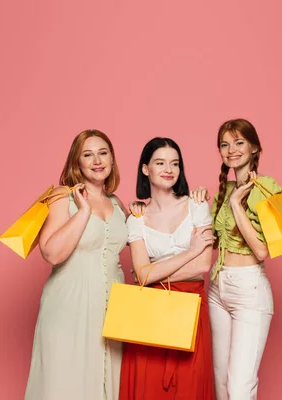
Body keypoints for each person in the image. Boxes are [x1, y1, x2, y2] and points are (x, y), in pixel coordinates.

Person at [24, 129, 130, 400]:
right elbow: (51, 253)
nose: (97, 160)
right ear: (77, 163)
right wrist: (83, 211)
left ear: (112, 160)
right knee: (65, 382)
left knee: (108, 381)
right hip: (69, 304)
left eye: (103, 153)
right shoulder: (62, 197)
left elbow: (145, 248)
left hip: (114, 307)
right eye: (88, 154)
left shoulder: (118, 203)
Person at [190, 118, 282, 400]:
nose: (231, 149)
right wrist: (199, 209)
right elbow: (216, 244)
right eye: (224, 144)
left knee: (240, 388)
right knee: (220, 383)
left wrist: (236, 206)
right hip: (218, 289)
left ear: (255, 148)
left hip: (249, 291)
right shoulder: (225, 190)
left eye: (239, 142)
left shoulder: (267, 187)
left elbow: (262, 250)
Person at [119, 137, 216, 400]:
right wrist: (191, 251)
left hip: (191, 305)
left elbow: (204, 265)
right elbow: (142, 274)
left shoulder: (197, 204)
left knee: (189, 385)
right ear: (145, 169)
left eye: (175, 163)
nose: (168, 169)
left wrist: (153, 273)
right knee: (149, 387)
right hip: (150, 311)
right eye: (160, 162)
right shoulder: (137, 217)